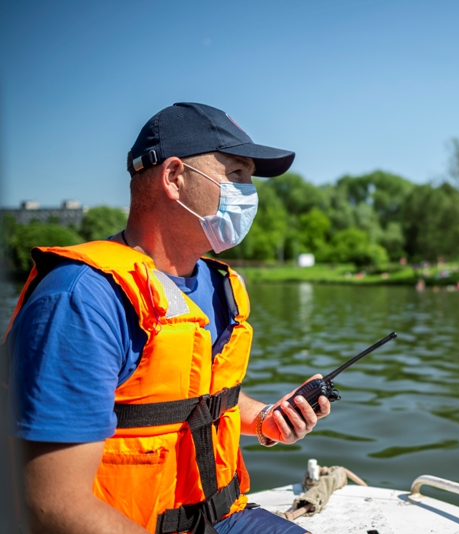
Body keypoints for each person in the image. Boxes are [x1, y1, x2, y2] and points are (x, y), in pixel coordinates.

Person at [2, 103, 329, 534]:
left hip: (225, 518)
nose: (249, 193)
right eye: (236, 174)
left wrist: (265, 418)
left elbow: (192, 398)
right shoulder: (82, 300)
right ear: (174, 178)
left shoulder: (221, 287)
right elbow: (54, 507)